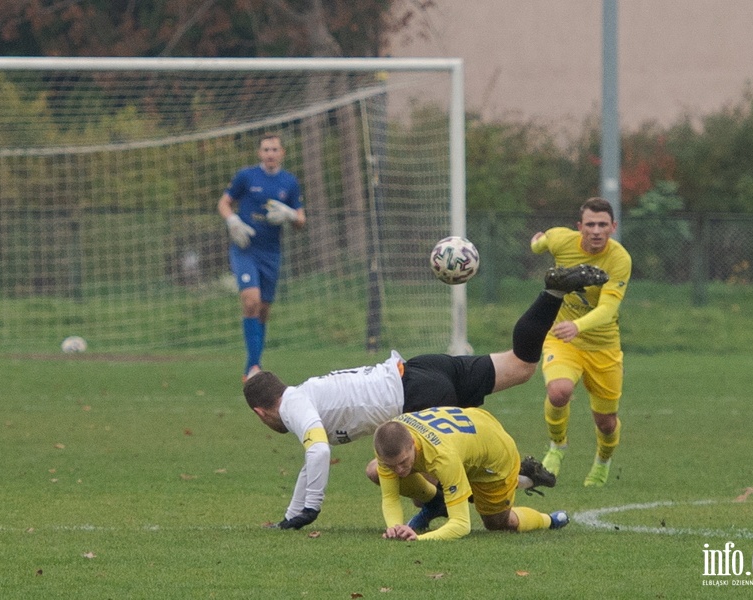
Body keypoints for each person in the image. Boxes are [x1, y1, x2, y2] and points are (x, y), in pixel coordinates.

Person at [243, 263, 608, 530]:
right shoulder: (306, 391)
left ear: (261, 412)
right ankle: (553, 293)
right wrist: (290, 516)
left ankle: (515, 479)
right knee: (520, 366)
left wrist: (309, 511)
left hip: (416, 397)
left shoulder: (292, 405)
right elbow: (312, 461)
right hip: (418, 369)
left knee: (413, 478)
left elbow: (318, 451)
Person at [531, 197, 632, 487]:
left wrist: (578, 325)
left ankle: (602, 461)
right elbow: (542, 242)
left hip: (603, 347)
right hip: (563, 340)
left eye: (603, 225)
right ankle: (557, 446)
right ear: (580, 227)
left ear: (613, 227)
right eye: (591, 224)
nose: (597, 231)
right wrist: (536, 243)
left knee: (606, 423)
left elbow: (609, 309)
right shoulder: (562, 240)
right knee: (559, 391)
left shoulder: (619, 259)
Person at [374, 406, 569, 541]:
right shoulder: (388, 441)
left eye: (402, 462)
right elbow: (390, 497)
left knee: (498, 523)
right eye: (391, 465)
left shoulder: (442, 457)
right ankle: (437, 503)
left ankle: (548, 518)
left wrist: (419, 538)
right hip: (469, 435)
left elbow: (461, 525)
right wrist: (395, 528)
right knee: (374, 470)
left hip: (495, 457)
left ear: (412, 445)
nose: (398, 470)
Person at [217, 133, 307, 380]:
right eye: (266, 149)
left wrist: (290, 214)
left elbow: (301, 219)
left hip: (271, 253)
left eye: (275, 149)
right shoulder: (246, 176)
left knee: (263, 310)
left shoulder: (289, 182)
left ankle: (254, 361)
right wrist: (232, 220)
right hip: (245, 249)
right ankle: (252, 368)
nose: (270, 154)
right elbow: (224, 203)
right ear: (259, 153)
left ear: (282, 153)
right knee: (251, 301)